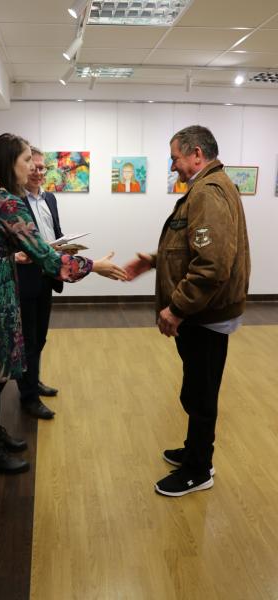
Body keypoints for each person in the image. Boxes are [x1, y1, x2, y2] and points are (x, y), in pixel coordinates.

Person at [0, 133, 127, 475]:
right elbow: (48, 258)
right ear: (10, 163)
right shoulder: (8, 202)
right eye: (27, 160)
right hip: (1, 298)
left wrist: (12, 255)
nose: (33, 167)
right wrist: (95, 266)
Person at [126, 125, 250, 497]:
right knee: (196, 389)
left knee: (200, 394)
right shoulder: (209, 187)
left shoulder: (208, 192)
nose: (172, 166)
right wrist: (153, 260)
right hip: (205, 312)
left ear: (197, 154)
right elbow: (191, 248)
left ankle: (199, 469)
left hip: (204, 315)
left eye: (175, 158)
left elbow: (211, 265)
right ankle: (194, 451)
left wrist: (176, 308)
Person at [16, 147, 64, 420]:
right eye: (32, 166)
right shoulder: (15, 203)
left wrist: (65, 246)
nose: (37, 172)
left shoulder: (50, 199)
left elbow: (55, 232)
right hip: (25, 278)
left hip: (47, 276)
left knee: (40, 336)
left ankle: (33, 381)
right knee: (29, 339)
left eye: (41, 167)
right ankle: (29, 397)